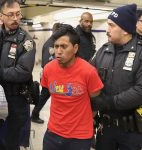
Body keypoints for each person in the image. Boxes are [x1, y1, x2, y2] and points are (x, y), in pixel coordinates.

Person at [38, 24, 103, 150]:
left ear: (75, 48)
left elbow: (97, 99)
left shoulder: (88, 71)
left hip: (79, 137)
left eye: (64, 46)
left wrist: (89, 119)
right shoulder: (48, 69)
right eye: (56, 46)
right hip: (53, 133)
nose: (59, 51)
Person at [89, 4, 142, 150]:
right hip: (105, 127)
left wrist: (109, 102)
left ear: (125, 29)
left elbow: (140, 91)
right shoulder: (103, 51)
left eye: (111, 25)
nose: (107, 30)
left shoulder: (140, 52)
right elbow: (87, 74)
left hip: (132, 131)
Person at [0, 0, 36, 150]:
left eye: (18, 14)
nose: (15, 18)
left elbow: (23, 72)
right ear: (1, 16)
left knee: (11, 142)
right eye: (10, 15)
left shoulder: (26, 41)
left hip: (16, 101)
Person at [31, 23, 65, 124]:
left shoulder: (54, 42)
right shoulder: (50, 44)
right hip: (49, 77)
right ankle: (34, 114)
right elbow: (47, 63)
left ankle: (35, 114)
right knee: (43, 97)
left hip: (54, 77)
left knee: (48, 97)